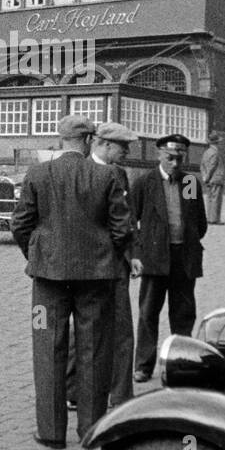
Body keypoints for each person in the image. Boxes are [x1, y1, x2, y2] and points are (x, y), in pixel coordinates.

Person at [11, 115, 132, 449]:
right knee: (94, 349)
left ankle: (51, 433)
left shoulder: (38, 174)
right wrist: (106, 257)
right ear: (90, 140)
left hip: (47, 281)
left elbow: (20, 224)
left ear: (61, 140)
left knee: (47, 348)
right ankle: (91, 431)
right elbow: (123, 229)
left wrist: (38, 255)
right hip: (96, 279)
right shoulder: (107, 175)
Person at [66, 121, 140, 411]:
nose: (127, 152)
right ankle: (74, 391)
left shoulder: (119, 173)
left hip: (116, 266)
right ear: (105, 145)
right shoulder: (80, 171)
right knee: (82, 329)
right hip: (87, 265)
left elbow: (128, 218)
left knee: (121, 330)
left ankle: (120, 396)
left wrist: (133, 254)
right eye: (123, 147)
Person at [130, 134, 207, 383]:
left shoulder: (189, 182)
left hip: (184, 257)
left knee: (183, 313)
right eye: (170, 158)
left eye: (179, 158)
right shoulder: (145, 182)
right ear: (159, 155)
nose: (175, 163)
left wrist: (189, 241)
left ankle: (181, 363)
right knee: (148, 312)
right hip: (154, 258)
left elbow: (198, 221)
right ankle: (143, 366)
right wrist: (139, 252)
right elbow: (130, 221)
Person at [200, 130, 225, 224]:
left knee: (210, 198)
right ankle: (214, 219)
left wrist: (204, 177)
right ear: (217, 143)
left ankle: (209, 217)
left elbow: (202, 166)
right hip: (216, 178)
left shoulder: (206, 152)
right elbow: (212, 166)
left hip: (208, 179)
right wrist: (208, 177)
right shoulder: (216, 153)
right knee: (216, 199)